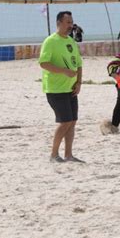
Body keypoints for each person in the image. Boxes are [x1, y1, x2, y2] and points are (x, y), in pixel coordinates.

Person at [39, 11, 84, 163]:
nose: (71, 25)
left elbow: (78, 64)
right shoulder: (50, 41)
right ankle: (53, 155)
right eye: (67, 22)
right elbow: (44, 63)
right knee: (65, 122)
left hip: (71, 89)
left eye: (71, 22)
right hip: (55, 89)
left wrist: (79, 83)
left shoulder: (71, 41)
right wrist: (64, 71)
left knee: (72, 122)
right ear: (59, 23)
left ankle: (69, 155)